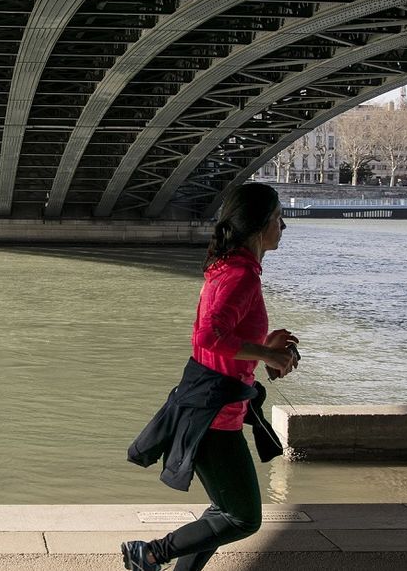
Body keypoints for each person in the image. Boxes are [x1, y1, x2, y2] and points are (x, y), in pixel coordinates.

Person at [122, 182, 299, 571]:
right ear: (258, 225)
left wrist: (265, 346)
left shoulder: (233, 269)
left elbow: (221, 340)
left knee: (224, 511)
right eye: (278, 218)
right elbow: (209, 337)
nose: (283, 226)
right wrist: (267, 353)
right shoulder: (241, 275)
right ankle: (150, 552)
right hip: (211, 416)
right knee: (242, 517)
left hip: (212, 407)